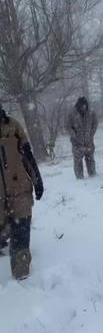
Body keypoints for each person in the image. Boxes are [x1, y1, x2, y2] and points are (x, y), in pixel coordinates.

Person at [0, 105, 44, 279]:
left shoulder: (13, 126)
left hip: (19, 190)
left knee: (21, 231)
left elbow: (27, 154)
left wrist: (37, 179)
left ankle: (22, 278)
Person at [67, 97, 98, 179]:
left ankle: (92, 175)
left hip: (89, 141)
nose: (84, 107)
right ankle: (79, 177)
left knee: (90, 158)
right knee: (77, 161)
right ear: (78, 105)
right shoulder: (72, 114)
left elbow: (95, 124)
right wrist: (74, 135)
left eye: (85, 105)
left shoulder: (91, 112)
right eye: (82, 106)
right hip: (76, 142)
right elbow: (68, 126)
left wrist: (91, 134)